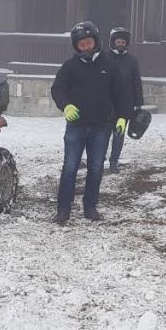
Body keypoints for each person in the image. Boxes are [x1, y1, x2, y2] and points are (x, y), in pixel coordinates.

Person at [50, 22, 129, 224]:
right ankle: (64, 209)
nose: (85, 47)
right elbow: (58, 89)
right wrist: (65, 105)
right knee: (70, 167)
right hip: (76, 127)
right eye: (81, 45)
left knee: (96, 167)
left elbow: (121, 94)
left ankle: (90, 206)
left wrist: (122, 116)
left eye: (88, 43)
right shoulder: (70, 66)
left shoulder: (109, 65)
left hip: (101, 127)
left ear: (96, 41)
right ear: (76, 47)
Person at [106, 27, 143, 174]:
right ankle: (98, 159)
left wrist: (138, 102)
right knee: (103, 134)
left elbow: (136, 82)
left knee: (118, 135)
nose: (120, 44)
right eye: (118, 41)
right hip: (108, 104)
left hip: (125, 105)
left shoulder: (132, 60)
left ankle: (114, 162)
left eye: (123, 42)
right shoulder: (105, 58)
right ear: (113, 43)